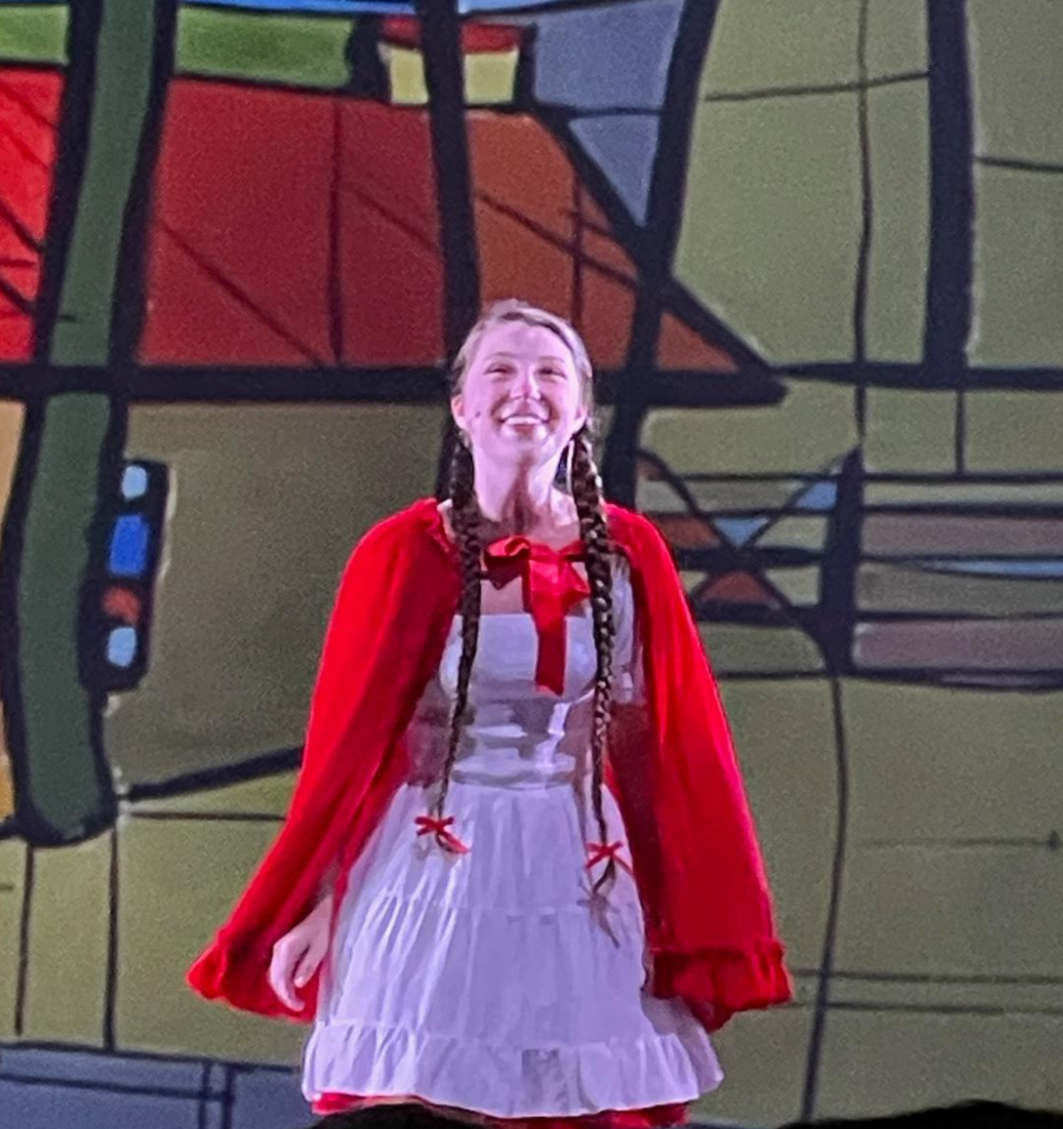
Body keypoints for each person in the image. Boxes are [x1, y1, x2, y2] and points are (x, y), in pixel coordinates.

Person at [187, 300, 792, 1129]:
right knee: (421, 1086)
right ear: (462, 406)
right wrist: (322, 901)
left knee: (575, 1093)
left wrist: (683, 902)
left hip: (576, 862)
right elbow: (354, 751)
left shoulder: (626, 552)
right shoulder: (404, 551)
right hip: (432, 856)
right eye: (500, 370)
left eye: (550, 373)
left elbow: (663, 742)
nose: (526, 390)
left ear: (580, 409)